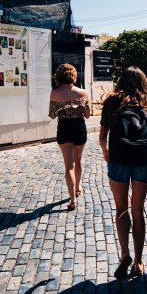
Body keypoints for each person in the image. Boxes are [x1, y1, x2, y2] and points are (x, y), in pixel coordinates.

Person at [99, 66, 147, 280]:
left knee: (121, 209)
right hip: (143, 159)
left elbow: (102, 136)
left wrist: (106, 152)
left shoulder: (113, 101)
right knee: (138, 210)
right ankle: (139, 261)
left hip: (119, 159)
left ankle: (124, 253)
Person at [49, 64, 91, 211]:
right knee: (78, 160)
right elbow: (87, 115)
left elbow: (52, 115)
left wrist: (63, 107)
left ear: (59, 77)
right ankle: (78, 186)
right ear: (73, 75)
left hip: (64, 129)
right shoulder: (83, 93)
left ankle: (72, 200)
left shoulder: (54, 94)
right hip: (79, 128)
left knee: (69, 166)